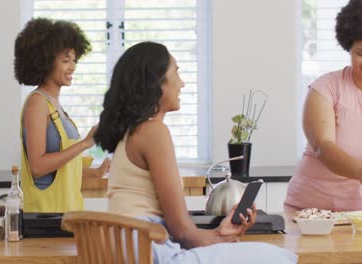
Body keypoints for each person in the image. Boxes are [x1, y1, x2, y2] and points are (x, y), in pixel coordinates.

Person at [94, 41, 297, 263]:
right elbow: (182, 232)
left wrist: (220, 234)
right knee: (278, 257)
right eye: (177, 73)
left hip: (137, 251)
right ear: (157, 82)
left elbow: (181, 234)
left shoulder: (133, 134)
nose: (182, 83)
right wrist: (219, 239)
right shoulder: (153, 132)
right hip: (150, 254)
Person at [14, 18, 110, 213]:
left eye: (74, 60)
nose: (72, 67)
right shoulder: (37, 103)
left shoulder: (55, 106)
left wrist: (96, 173)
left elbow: (62, 171)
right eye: (66, 60)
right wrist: (84, 143)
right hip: (46, 218)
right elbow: (38, 167)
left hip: (66, 214)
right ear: (46, 61)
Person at [285, 0, 362, 212]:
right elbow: (323, 147)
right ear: (348, 48)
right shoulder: (325, 87)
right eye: (360, 53)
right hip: (311, 210)